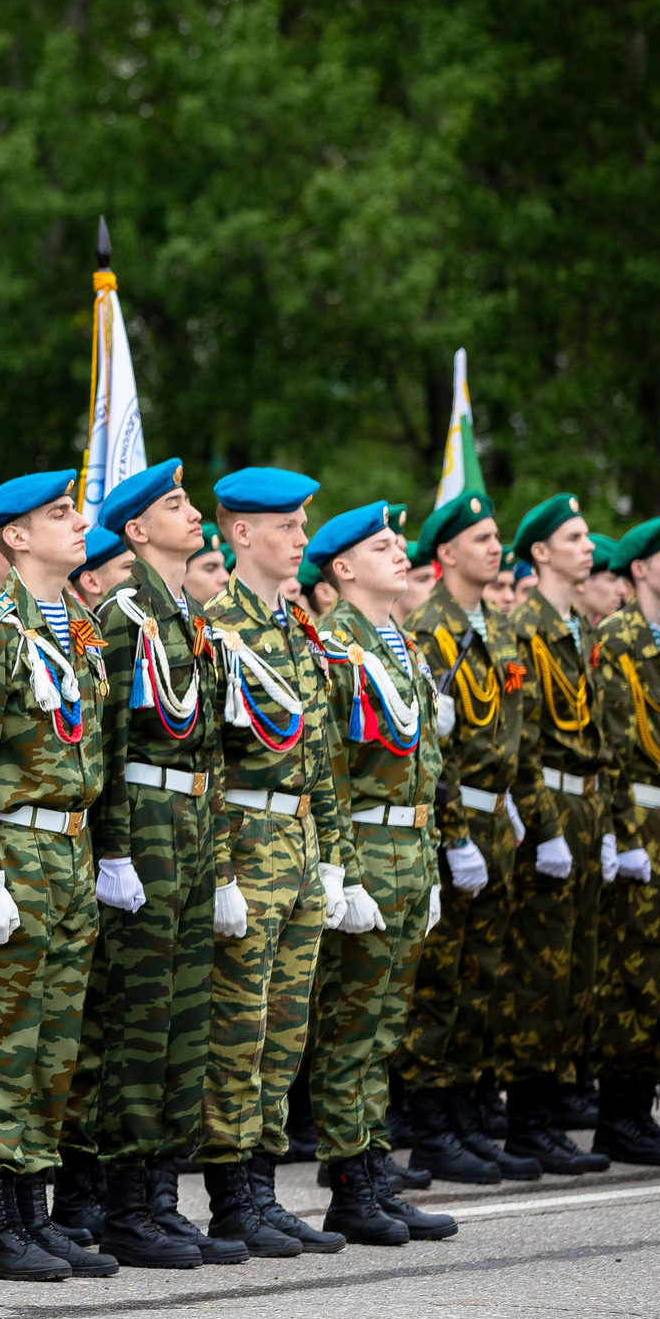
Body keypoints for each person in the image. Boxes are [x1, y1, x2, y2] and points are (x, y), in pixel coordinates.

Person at [0, 471, 111, 1281]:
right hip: (13, 851)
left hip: (69, 851)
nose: (78, 524)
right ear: (14, 537)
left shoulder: (74, 624)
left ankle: (36, 1213)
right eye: (59, 514)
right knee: (3, 1043)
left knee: (55, 1046)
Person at [198, 468, 366, 1260]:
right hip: (249, 845)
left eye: (304, 523)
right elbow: (210, 759)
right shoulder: (215, 627)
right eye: (289, 525)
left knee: (286, 1029)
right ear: (240, 535)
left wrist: (334, 860)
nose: (303, 538)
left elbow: (322, 756)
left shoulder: (296, 627)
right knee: (240, 1026)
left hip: (298, 846)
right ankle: (232, 1194)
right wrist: (224, 870)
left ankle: (264, 1186)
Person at [80, 461, 226, 1269]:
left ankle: (161, 1195)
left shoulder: (184, 615)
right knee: (139, 1023)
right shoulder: (124, 616)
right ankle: (126, 1203)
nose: (195, 513)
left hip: (192, 824)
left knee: (183, 1022)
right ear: (137, 531)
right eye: (177, 505)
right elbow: (106, 742)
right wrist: (115, 849)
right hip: (146, 826)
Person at [301, 504, 455, 1245]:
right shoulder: (335, 646)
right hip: (365, 850)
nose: (402, 554)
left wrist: (429, 867)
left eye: (399, 543)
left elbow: (424, 766)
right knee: (350, 1028)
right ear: (343, 569)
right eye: (383, 546)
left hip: (408, 852)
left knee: (384, 1026)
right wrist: (343, 872)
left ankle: (373, 1170)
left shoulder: (401, 643)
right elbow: (328, 771)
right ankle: (351, 1185)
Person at [396, 491, 539, 1185]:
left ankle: (466, 1118)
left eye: (496, 535)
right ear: (445, 552)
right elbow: (433, 747)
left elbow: (512, 733)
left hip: (495, 817)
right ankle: (431, 1127)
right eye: (481, 537)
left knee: (486, 978)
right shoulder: (428, 628)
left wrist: (518, 814)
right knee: (441, 982)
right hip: (456, 823)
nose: (496, 547)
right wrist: (454, 835)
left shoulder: (500, 627)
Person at [499, 494, 614, 1174]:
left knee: (574, 972)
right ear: (540, 553)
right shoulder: (526, 628)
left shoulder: (576, 627)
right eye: (573, 537)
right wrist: (544, 827)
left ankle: (547, 1110)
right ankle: (529, 1119)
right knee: (540, 971)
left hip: (586, 807)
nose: (587, 545)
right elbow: (526, 741)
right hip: (550, 806)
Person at [587, 516, 660, 1165]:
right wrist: (621, 834)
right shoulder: (618, 640)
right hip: (638, 819)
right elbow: (610, 748)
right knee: (633, 971)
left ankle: (651, 1109)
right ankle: (620, 1113)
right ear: (640, 570)